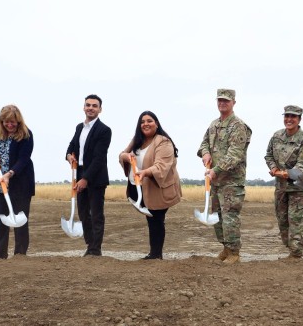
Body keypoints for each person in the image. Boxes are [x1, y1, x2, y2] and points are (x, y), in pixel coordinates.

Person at [197, 89, 252, 264]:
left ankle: (234, 252)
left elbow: (234, 155)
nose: (222, 103)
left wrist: (215, 170)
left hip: (232, 182)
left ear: (233, 103)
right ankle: (226, 248)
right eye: (220, 100)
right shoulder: (213, 125)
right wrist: (205, 154)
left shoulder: (238, 126)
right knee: (217, 217)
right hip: (216, 182)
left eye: (226, 101)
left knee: (230, 218)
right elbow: (204, 143)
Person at [119, 111, 182, 260]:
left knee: (157, 219)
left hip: (159, 187)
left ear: (157, 123)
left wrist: (145, 172)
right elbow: (122, 154)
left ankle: (156, 254)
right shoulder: (137, 140)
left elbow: (162, 165)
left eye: (149, 121)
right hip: (139, 186)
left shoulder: (163, 141)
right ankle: (154, 253)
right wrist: (126, 157)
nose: (145, 124)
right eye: (142, 121)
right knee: (151, 219)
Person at [264, 105, 303, 260]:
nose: (289, 119)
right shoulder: (277, 136)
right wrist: (273, 168)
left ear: (299, 120)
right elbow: (268, 155)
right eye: (287, 116)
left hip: (299, 186)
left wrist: (286, 173)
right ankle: (290, 248)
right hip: (281, 186)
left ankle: (296, 253)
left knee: (297, 219)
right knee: (282, 219)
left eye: (293, 117)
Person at [0, 105, 35, 259]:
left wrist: (9, 174)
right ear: (2, 122)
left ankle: (20, 255)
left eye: (13, 122)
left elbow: (23, 159)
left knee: (20, 221)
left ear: (18, 120)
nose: (10, 125)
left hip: (20, 184)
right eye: (6, 122)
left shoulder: (26, 135)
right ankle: (1, 255)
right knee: (2, 222)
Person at [66, 94, 112, 256]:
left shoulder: (104, 130)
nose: (91, 108)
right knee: (83, 213)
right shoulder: (79, 127)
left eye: (94, 105)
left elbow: (99, 158)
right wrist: (68, 156)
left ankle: (95, 249)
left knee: (96, 214)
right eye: (88, 105)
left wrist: (86, 179)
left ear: (100, 109)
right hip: (79, 173)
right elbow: (71, 146)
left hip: (96, 177)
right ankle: (89, 245)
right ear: (83, 107)